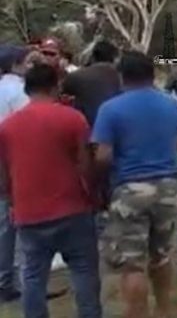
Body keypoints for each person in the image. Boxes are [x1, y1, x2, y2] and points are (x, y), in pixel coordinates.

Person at [0, 64, 102, 318]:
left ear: (26, 88)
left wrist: (12, 201)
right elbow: (85, 165)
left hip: (29, 211)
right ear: (56, 85)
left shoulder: (7, 127)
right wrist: (94, 195)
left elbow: (3, 176)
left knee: (33, 276)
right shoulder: (72, 118)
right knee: (84, 272)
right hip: (72, 208)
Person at [91, 51, 177, 318]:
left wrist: (101, 181)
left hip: (130, 188)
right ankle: (163, 310)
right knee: (162, 255)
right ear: (152, 74)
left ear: (121, 76)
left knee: (132, 264)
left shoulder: (111, 109)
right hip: (167, 186)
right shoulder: (172, 104)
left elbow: (103, 156)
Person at [0, 45, 32, 303]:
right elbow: (27, 126)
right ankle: (17, 282)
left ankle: (5, 279)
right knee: (17, 224)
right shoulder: (19, 91)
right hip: (13, 162)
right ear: (17, 64)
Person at [63, 40, 122, 127]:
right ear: (113, 58)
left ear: (92, 57)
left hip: (86, 130)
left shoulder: (77, 76)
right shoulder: (122, 78)